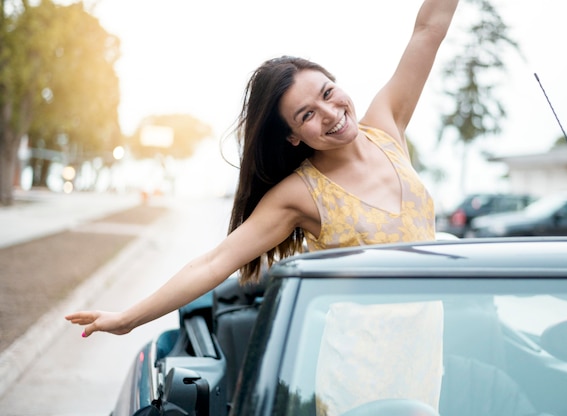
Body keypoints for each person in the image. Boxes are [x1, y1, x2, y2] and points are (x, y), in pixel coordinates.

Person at [66, 0, 459, 338]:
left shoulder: (387, 126)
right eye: (307, 114)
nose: (329, 113)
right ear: (292, 136)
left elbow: (428, 29)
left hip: (428, 351)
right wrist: (128, 318)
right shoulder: (301, 193)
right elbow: (214, 262)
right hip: (361, 366)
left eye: (327, 93)